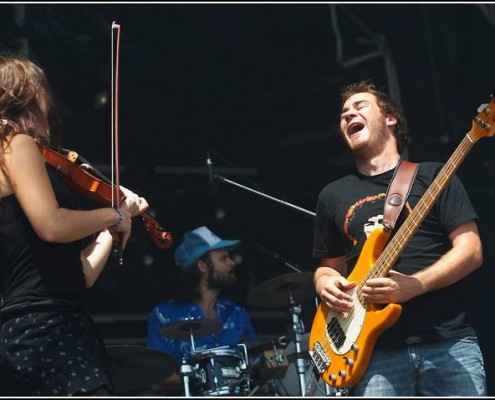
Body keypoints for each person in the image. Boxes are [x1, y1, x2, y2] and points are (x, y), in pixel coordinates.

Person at [312, 80, 487, 396]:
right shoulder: (332, 195)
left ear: (390, 117)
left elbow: (472, 250)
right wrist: (323, 282)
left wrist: (415, 285)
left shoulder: (434, 175)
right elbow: (329, 266)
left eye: (360, 106)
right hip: (371, 353)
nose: (348, 113)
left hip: (447, 342)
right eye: (343, 113)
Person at [0, 53, 149, 395]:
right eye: (42, 90)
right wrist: (115, 213)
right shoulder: (16, 145)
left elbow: (77, 275)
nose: (48, 100)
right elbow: (51, 225)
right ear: (26, 94)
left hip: (55, 324)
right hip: (43, 328)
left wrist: (109, 229)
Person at [147, 225, 256, 395]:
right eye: (223, 258)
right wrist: (208, 375)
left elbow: (257, 366)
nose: (232, 263)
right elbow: (156, 379)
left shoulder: (237, 313)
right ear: (203, 266)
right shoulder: (165, 315)